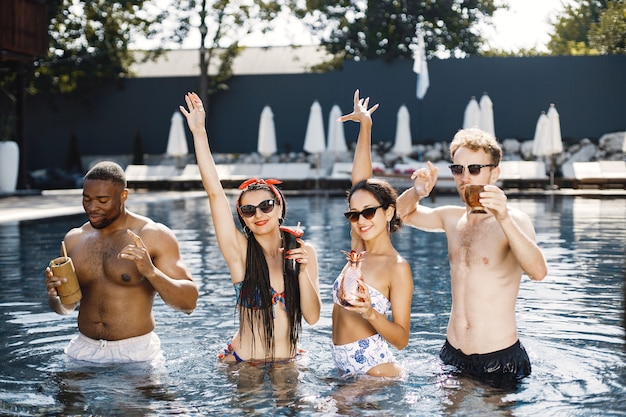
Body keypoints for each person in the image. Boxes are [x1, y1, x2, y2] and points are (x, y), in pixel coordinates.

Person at [396, 127, 548, 388]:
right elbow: (397, 215)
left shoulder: (515, 220)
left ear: (494, 172)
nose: (465, 177)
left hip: (500, 358)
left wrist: (503, 217)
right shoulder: (451, 217)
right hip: (452, 354)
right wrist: (417, 193)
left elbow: (538, 272)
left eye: (474, 168)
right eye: (458, 169)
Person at [179, 92, 321, 364]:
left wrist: (302, 273)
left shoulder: (302, 251)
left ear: (280, 208)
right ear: (242, 218)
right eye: (248, 210)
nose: (258, 214)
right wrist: (199, 132)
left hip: (288, 362)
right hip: (245, 364)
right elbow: (214, 194)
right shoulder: (239, 253)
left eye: (266, 206)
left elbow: (313, 318)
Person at [44, 161, 198, 364]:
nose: (92, 207)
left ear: (123, 196)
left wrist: (151, 272)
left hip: (136, 354)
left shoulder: (152, 235)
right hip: (84, 349)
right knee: (62, 393)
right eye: (87, 199)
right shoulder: (74, 239)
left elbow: (189, 303)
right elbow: (66, 308)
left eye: (102, 200)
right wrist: (55, 296)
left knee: (157, 395)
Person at [331, 90, 413, 377]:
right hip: (344, 368)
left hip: (374, 371)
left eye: (369, 212)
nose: (361, 220)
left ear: (389, 212)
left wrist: (369, 312)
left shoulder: (397, 267)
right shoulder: (358, 247)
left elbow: (401, 339)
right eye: (354, 214)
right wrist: (365, 127)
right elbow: (360, 183)